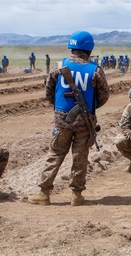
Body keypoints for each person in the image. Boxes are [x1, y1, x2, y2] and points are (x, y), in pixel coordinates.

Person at [27, 31, 110, 206]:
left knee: (55, 154)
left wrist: (59, 111)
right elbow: (103, 96)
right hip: (85, 122)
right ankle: (76, 195)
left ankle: (43, 193)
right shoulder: (95, 70)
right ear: (89, 49)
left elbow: (49, 92)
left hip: (62, 121)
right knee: (80, 157)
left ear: (71, 47)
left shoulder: (58, 66)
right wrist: (88, 109)